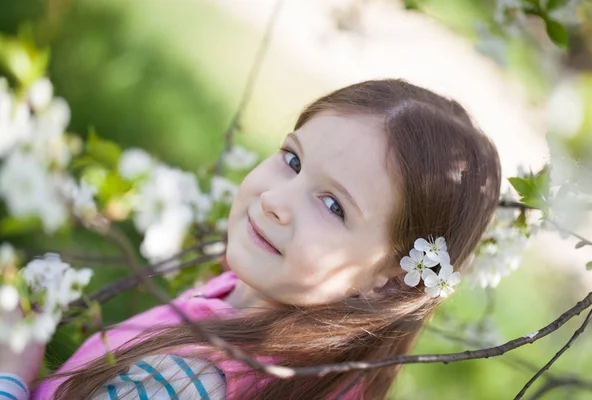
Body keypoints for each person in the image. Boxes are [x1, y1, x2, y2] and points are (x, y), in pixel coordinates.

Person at [1, 79, 501, 399]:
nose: (274, 201)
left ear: (392, 279)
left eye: (333, 206)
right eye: (293, 160)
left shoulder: (183, 384)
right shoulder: (308, 359)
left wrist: (10, 373)